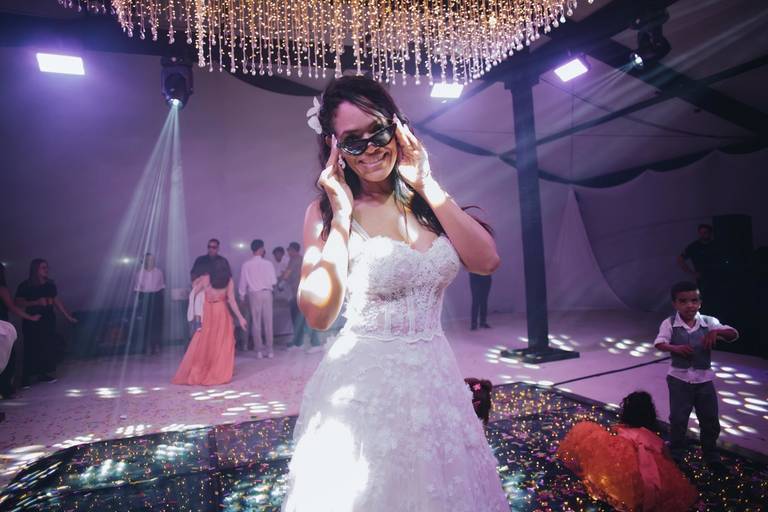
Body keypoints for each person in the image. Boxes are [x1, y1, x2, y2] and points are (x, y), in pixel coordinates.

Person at [280, 76, 507, 511]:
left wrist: (427, 183)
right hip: (365, 389)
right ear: (333, 146)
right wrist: (342, 217)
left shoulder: (428, 202)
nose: (371, 148)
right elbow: (319, 315)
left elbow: (487, 260)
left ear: (397, 129)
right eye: (354, 140)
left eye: (378, 132)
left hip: (436, 379)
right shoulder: (323, 214)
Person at [557, 391, 698, 512]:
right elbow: (668, 460)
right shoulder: (654, 440)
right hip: (638, 488)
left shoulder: (621, 437)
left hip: (621, 482)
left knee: (587, 434)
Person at [654, 281, 738, 467]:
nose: (689, 305)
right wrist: (675, 348)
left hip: (704, 380)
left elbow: (733, 334)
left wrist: (718, 331)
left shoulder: (709, 322)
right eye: (683, 301)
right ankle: (676, 452)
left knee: (709, 419)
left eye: (694, 300)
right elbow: (659, 343)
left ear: (700, 302)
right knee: (678, 418)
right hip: (679, 379)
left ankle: (710, 453)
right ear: (675, 303)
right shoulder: (669, 323)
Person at [173, 257, 247, 386]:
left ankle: (203, 369)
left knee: (206, 341)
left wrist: (195, 313)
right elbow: (232, 301)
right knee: (222, 342)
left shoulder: (206, 278)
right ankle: (218, 370)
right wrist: (240, 318)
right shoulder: (228, 280)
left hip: (208, 312)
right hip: (221, 311)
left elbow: (194, 292)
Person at [15, 259, 77, 386]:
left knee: (47, 346)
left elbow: (56, 301)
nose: (46, 270)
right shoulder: (25, 285)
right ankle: (26, 377)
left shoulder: (50, 284)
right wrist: (35, 302)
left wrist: (67, 316)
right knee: (31, 347)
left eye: (47, 267)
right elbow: (18, 302)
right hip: (32, 319)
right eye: (43, 267)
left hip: (48, 319)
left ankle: (43, 374)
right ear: (35, 269)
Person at [0, 263, 41, 399]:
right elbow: (12, 307)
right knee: (7, 359)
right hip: (2, 328)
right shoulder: (1, 288)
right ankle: (6, 390)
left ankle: (5, 390)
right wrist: (30, 317)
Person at [238, 239, 277, 358]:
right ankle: (270, 350)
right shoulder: (268, 264)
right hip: (267, 293)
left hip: (254, 294)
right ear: (261, 249)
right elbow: (273, 281)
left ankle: (259, 351)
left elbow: (243, 282)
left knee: (256, 323)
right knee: (268, 322)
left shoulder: (246, 265)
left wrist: (242, 296)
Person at [677, 224, 724, 314]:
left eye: (705, 232)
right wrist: (691, 273)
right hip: (702, 278)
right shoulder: (694, 246)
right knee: (704, 302)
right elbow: (680, 259)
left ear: (710, 233)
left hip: (718, 277)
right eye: (701, 233)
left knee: (718, 301)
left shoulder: (716, 245)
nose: (703, 235)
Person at [134, 252, 166, 354]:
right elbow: (137, 289)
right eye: (148, 260)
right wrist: (141, 302)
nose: (151, 261)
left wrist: (160, 300)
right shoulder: (139, 273)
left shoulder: (159, 272)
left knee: (156, 323)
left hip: (156, 298)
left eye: (152, 260)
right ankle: (144, 347)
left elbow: (162, 287)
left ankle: (155, 346)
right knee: (145, 324)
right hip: (145, 298)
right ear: (145, 261)